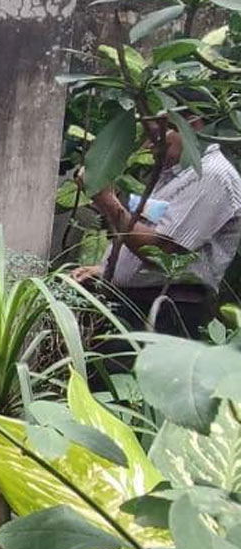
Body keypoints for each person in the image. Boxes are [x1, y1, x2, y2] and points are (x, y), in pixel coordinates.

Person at [72, 91, 241, 356]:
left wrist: (106, 200)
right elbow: (153, 233)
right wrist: (109, 270)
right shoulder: (176, 174)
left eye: (156, 136)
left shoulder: (211, 176)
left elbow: (162, 251)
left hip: (167, 310)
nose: (150, 146)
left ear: (191, 125)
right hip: (141, 305)